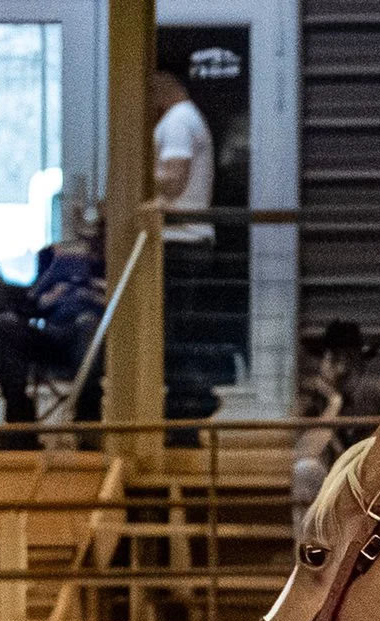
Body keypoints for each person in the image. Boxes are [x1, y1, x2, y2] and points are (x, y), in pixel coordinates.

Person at [0, 211, 107, 443]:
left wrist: (93, 294)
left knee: (88, 324)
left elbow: (121, 307)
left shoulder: (117, 264)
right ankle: (19, 421)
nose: (91, 242)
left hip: (92, 338)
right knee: (3, 323)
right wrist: (50, 297)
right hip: (53, 335)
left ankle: (87, 419)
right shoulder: (57, 262)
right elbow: (28, 306)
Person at [152, 70, 221, 423]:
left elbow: (173, 179)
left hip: (180, 243)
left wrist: (131, 176)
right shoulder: (190, 118)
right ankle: (186, 407)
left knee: (173, 334)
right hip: (189, 243)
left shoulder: (178, 121)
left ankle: (187, 408)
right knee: (179, 331)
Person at [291, 321, 380, 526]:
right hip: (325, 483)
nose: (343, 369)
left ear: (361, 364)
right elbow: (305, 451)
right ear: (323, 363)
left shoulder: (375, 397)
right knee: (306, 469)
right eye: (335, 359)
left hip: (365, 480)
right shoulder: (310, 397)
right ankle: (309, 552)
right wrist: (334, 404)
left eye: (350, 360)